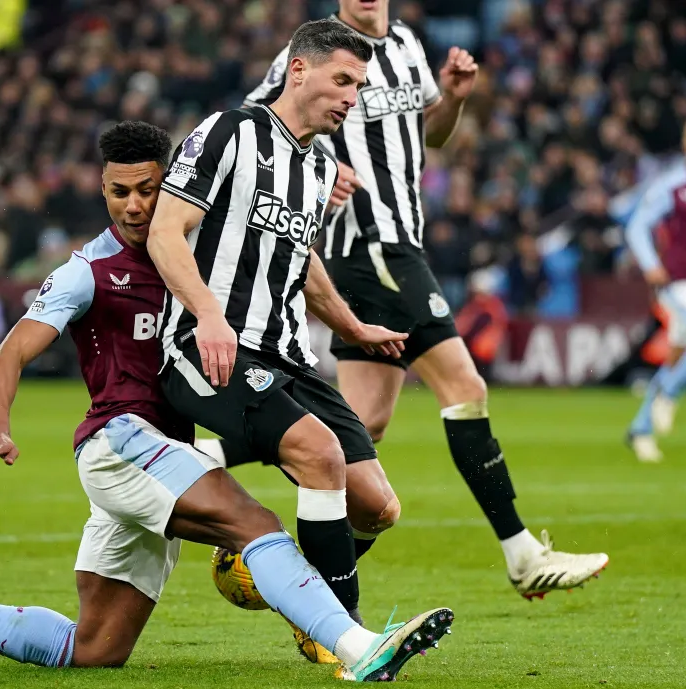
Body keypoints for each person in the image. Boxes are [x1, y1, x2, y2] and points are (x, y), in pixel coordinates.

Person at [0, 120, 454, 682]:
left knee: (94, 648)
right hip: (120, 443)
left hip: (168, 453)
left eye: (147, 190)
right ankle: (356, 645)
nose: (133, 205)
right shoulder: (89, 270)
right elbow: (11, 352)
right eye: (118, 192)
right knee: (254, 525)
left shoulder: (203, 249)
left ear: (173, 185)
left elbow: (291, 253)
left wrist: (345, 322)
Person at [197, 0, 608, 612]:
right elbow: (261, 124)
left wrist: (453, 99)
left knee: (364, 425)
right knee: (465, 387)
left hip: (398, 243)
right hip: (369, 244)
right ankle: (522, 552)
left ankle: (214, 471)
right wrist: (318, 165)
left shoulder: (410, 47)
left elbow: (429, 136)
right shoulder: (311, 52)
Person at [147, 18, 442, 664]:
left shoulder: (319, 166)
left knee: (377, 507)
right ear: (299, 70)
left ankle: (293, 590)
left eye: (359, 87)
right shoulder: (230, 132)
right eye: (344, 81)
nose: (352, 98)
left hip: (288, 357)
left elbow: (302, 260)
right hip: (208, 346)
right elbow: (166, 231)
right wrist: (208, 313)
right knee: (319, 453)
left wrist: (352, 327)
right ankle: (349, 639)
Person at [626, 117, 686, 462]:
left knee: (680, 354)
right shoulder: (673, 184)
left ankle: (640, 427)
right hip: (680, 283)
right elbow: (637, 226)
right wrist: (650, 265)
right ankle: (669, 394)